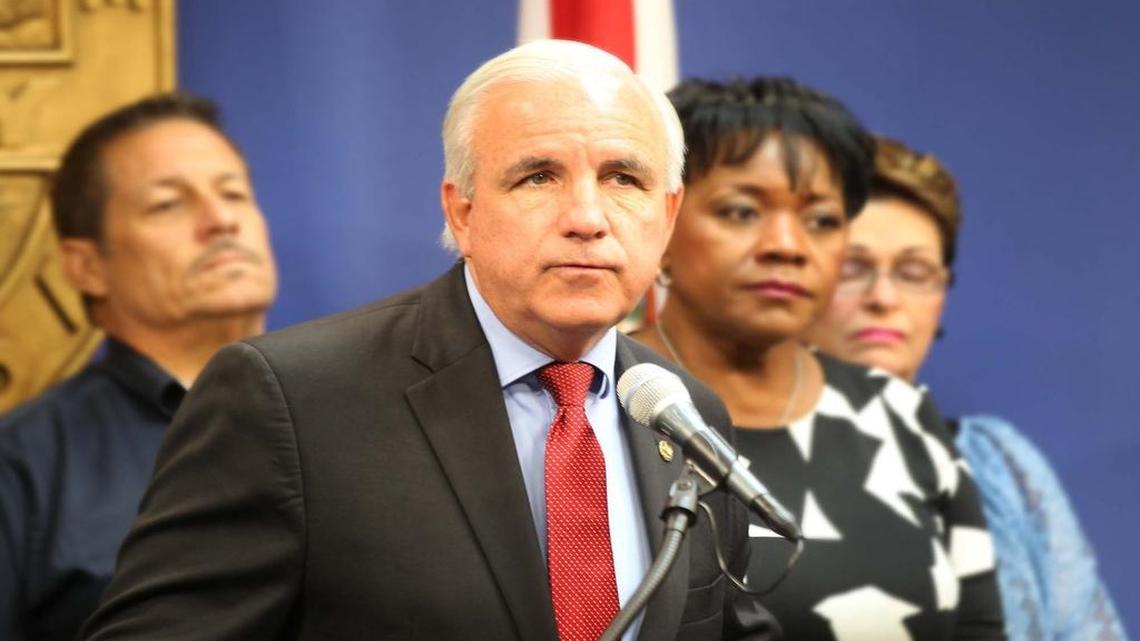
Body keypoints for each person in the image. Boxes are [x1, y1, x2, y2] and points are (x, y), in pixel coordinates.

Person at [78, 40, 779, 641]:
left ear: (666, 216)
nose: (588, 217)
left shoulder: (685, 412)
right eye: (539, 176)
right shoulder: (288, 400)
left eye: (623, 178)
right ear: (462, 209)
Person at [629, 77, 1005, 640]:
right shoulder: (592, 399)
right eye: (741, 211)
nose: (787, 244)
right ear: (663, 221)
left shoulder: (900, 414)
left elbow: (979, 629)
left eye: (822, 220)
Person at [804, 136, 1129, 641]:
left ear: (941, 298)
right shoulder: (734, 458)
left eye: (914, 273)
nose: (884, 297)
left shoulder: (1000, 463)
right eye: (853, 269)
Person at [0, 93, 278, 641]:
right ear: (87, 267)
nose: (220, 220)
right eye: (168, 204)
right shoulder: (21, 466)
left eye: (234, 193)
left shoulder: (366, 413)